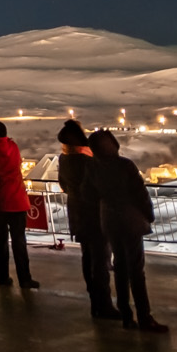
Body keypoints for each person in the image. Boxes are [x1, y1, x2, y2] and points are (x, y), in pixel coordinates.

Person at [83, 129, 166, 332]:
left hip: (109, 220)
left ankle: (126, 316)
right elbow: (140, 194)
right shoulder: (125, 165)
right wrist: (149, 215)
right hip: (130, 220)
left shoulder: (92, 167)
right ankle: (145, 317)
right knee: (136, 270)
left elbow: (86, 194)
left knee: (120, 267)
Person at [58, 119, 113, 317]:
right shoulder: (89, 162)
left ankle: (94, 302)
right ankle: (104, 304)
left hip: (77, 216)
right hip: (94, 216)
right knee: (100, 261)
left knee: (88, 258)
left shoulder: (63, 159)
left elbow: (63, 185)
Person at [0, 121, 37, 287]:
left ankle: (2, 277)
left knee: (1, 242)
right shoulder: (14, 146)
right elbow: (18, 163)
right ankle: (25, 279)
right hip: (17, 201)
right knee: (20, 242)